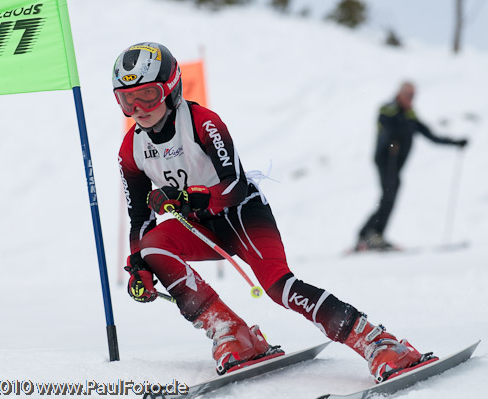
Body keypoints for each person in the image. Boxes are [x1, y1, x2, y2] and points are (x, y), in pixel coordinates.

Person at [114, 43, 435, 382]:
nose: (138, 107)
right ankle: (231, 333)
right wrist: (138, 267)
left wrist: (186, 199)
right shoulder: (130, 150)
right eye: (126, 99)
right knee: (152, 246)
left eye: (148, 95)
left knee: (279, 287)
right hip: (201, 227)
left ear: (171, 87)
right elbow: (139, 220)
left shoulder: (203, 123)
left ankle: (378, 341)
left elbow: (233, 186)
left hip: (242, 215)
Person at [356, 82, 468, 252]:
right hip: (386, 161)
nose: (411, 99)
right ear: (400, 94)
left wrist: (454, 142)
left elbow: (431, 136)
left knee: (390, 197)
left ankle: (372, 234)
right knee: (388, 196)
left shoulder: (410, 117)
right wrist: (393, 141)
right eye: (408, 95)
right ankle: (368, 235)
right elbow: (384, 126)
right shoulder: (389, 109)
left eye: (413, 96)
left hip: (397, 165)